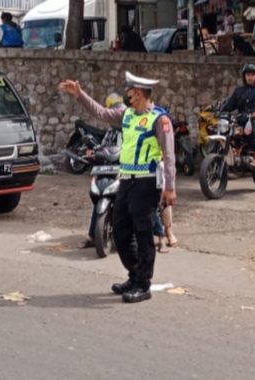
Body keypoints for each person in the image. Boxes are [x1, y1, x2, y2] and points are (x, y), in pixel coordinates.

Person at [59, 71, 176, 303]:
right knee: (121, 229)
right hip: (126, 179)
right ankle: (134, 275)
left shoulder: (159, 120)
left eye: (130, 92)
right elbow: (101, 113)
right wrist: (80, 94)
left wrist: (170, 187)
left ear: (140, 94)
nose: (127, 95)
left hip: (147, 181)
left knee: (143, 233)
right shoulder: (127, 115)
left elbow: (169, 155)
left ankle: (143, 284)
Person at [79, 93, 125, 249]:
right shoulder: (110, 131)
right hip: (108, 167)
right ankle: (93, 235)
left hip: (124, 169)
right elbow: (102, 146)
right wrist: (93, 151)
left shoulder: (129, 129)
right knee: (100, 195)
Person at [221, 63, 255, 166]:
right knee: (229, 129)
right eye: (247, 75)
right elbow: (230, 104)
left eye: (252, 75)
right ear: (244, 76)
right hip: (241, 119)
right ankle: (236, 154)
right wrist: (220, 110)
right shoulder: (239, 91)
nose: (250, 77)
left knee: (250, 126)